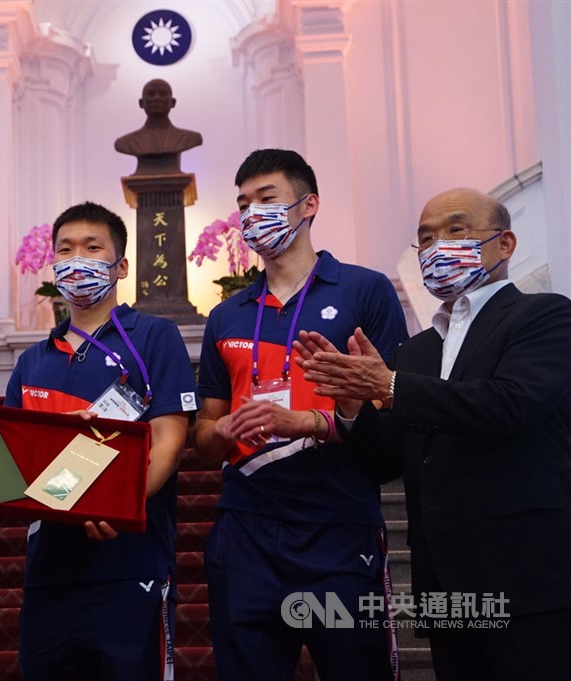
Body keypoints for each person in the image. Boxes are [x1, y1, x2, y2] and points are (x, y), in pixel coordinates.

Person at [295, 187, 571, 681]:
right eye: (425, 238)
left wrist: (390, 385)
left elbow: (510, 405)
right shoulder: (416, 350)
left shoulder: (546, 316)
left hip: (528, 579)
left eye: (456, 230)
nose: (438, 245)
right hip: (446, 586)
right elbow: (386, 462)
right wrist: (354, 405)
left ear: (504, 244)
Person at [193, 149, 408, 681]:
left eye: (267, 199)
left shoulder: (365, 290)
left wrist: (314, 422)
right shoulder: (226, 314)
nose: (251, 214)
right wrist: (220, 431)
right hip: (245, 528)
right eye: (243, 204)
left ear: (308, 204)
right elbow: (204, 437)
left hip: (337, 525)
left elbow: (394, 419)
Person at [1, 201, 197, 681]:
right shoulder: (32, 361)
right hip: (50, 569)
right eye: (65, 249)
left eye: (93, 248)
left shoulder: (154, 337)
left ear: (121, 265)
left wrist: (112, 503)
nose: (78, 259)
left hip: (130, 561)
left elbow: (168, 441)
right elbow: (9, 462)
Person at [114, 79, 203, 175]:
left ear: (173, 102)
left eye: (163, 94)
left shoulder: (188, 138)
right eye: (151, 94)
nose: (157, 98)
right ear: (141, 103)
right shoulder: (127, 142)